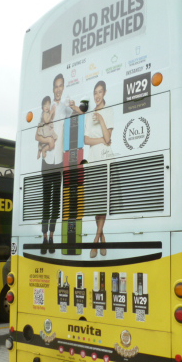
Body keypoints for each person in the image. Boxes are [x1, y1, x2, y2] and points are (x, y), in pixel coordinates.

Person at [72, 80, 114, 258]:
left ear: (105, 93)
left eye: (100, 92)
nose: (97, 95)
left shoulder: (109, 111)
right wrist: (103, 139)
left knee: (102, 202)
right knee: (96, 202)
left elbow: (109, 138)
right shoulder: (89, 115)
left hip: (105, 158)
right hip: (93, 159)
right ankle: (102, 238)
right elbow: (87, 140)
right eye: (95, 92)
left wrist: (102, 120)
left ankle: (95, 240)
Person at [36, 74, 72, 254]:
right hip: (47, 160)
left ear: (63, 87)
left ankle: (51, 236)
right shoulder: (46, 109)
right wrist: (48, 141)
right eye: (56, 86)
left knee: (56, 201)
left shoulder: (65, 107)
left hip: (59, 160)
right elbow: (37, 134)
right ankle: (44, 237)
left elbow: (79, 112)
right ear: (53, 89)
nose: (58, 89)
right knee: (46, 201)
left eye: (60, 86)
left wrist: (74, 104)